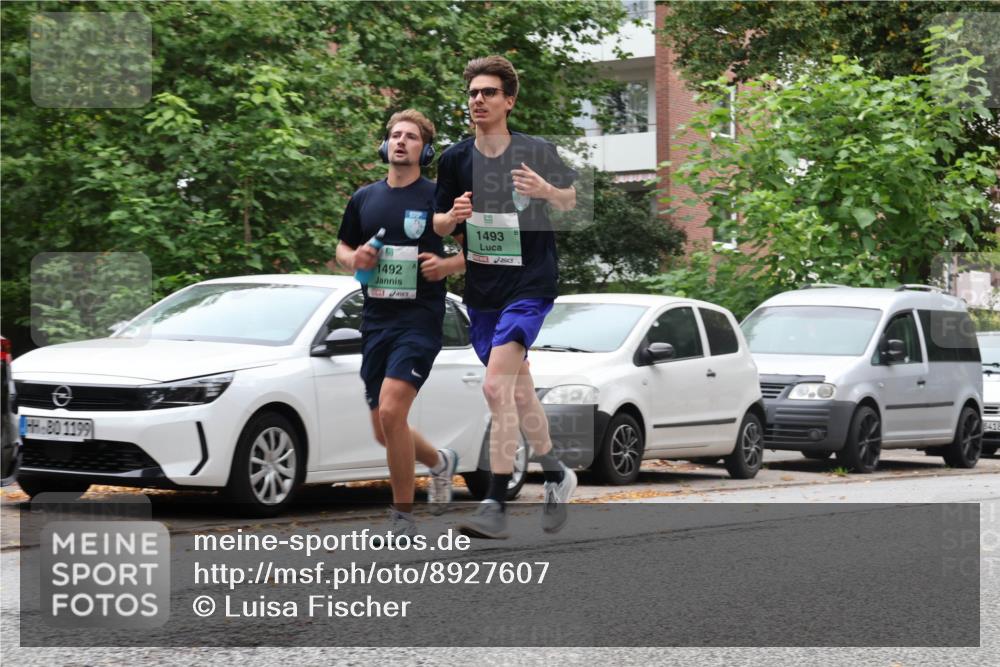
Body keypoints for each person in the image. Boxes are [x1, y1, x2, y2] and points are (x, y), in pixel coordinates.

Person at [433, 56, 579, 539]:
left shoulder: (536, 150)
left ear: (508, 100)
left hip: (530, 285)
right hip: (483, 290)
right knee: (517, 390)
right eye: (473, 92)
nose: (478, 99)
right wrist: (451, 217)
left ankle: (494, 501)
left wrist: (546, 189)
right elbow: (438, 224)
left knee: (495, 389)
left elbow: (574, 201)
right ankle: (557, 474)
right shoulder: (455, 159)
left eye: (489, 92)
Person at [336, 109, 465, 538]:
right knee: (384, 428)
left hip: (420, 320)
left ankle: (402, 516)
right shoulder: (364, 198)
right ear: (384, 144)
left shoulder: (436, 198)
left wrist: (445, 266)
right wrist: (355, 260)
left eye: (410, 137)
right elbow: (343, 248)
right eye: (395, 135)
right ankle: (441, 463)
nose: (400, 142)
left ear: (424, 149)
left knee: (392, 410)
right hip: (376, 321)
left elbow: (478, 251)